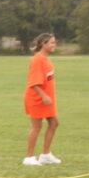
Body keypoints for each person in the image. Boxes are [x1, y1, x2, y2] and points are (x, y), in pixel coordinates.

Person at [23, 33, 61, 166]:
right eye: (51, 42)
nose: (54, 45)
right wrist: (44, 96)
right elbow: (33, 83)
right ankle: (29, 157)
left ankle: (45, 155)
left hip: (47, 100)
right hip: (37, 99)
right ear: (43, 44)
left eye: (54, 42)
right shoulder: (37, 60)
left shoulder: (46, 59)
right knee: (36, 126)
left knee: (54, 123)